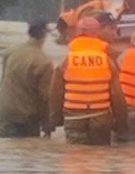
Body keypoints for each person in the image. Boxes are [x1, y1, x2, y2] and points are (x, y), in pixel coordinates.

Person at [51, 16, 128, 145]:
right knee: (99, 158)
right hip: (101, 117)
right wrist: (121, 123)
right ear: (97, 34)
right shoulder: (107, 61)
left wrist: (55, 119)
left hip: (73, 117)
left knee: (75, 159)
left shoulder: (67, 61)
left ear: (77, 34)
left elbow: (56, 93)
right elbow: (117, 95)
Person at [0, 20, 54, 138]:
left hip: (3, 113)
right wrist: (47, 123)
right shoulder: (44, 62)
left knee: (5, 153)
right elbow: (44, 97)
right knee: (28, 153)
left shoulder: (10, 52)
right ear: (45, 35)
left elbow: (3, 79)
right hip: (26, 118)